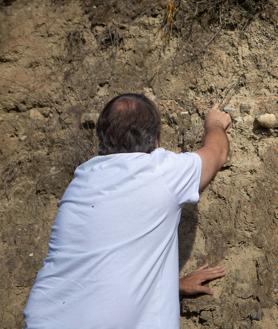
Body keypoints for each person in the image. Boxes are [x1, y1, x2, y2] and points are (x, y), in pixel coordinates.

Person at [23, 93, 231, 329]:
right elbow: (217, 154)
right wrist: (215, 124)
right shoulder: (160, 172)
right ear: (156, 140)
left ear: (100, 138)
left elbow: (101, 263)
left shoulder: (83, 180)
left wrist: (170, 285)